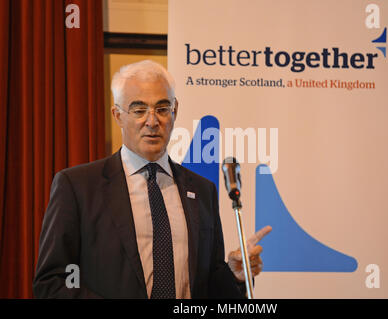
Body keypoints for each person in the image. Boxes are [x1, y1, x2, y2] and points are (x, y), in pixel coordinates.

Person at [33, 60, 271, 299]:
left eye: (162, 108)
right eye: (139, 110)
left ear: (175, 111)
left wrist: (234, 275)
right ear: (117, 115)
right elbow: (51, 283)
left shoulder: (202, 190)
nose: (152, 121)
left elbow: (207, 286)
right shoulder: (78, 187)